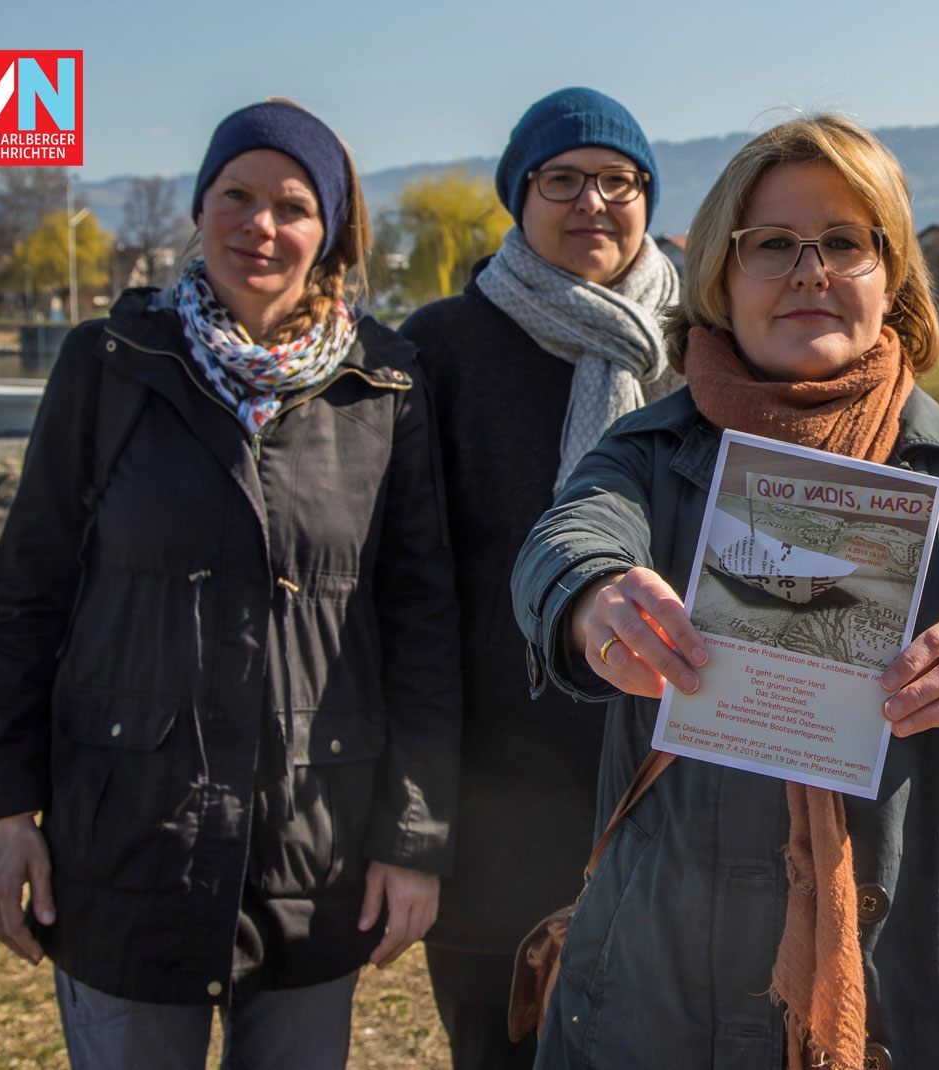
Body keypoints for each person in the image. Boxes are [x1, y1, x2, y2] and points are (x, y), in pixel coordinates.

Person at [511, 113, 939, 1069]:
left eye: (844, 242)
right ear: (721, 276)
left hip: (932, 963)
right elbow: (568, 537)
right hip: (667, 970)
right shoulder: (646, 452)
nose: (810, 272)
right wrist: (591, 595)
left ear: (891, 276)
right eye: (773, 243)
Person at [0, 100, 461, 1070]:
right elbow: (25, 601)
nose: (259, 225)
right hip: (123, 836)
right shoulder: (108, 364)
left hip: (313, 845)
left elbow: (421, 628)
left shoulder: (385, 386)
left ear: (330, 231)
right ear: (199, 208)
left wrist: (415, 836)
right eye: (235, 195)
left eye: (292, 205)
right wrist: (7, 812)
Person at [398, 86, 680, 1070]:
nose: (592, 201)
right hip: (496, 795)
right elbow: (411, 589)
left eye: (618, 180)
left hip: (666, 782)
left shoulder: (707, 346)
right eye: (561, 179)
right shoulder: (441, 348)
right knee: (499, 1044)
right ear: (518, 196)